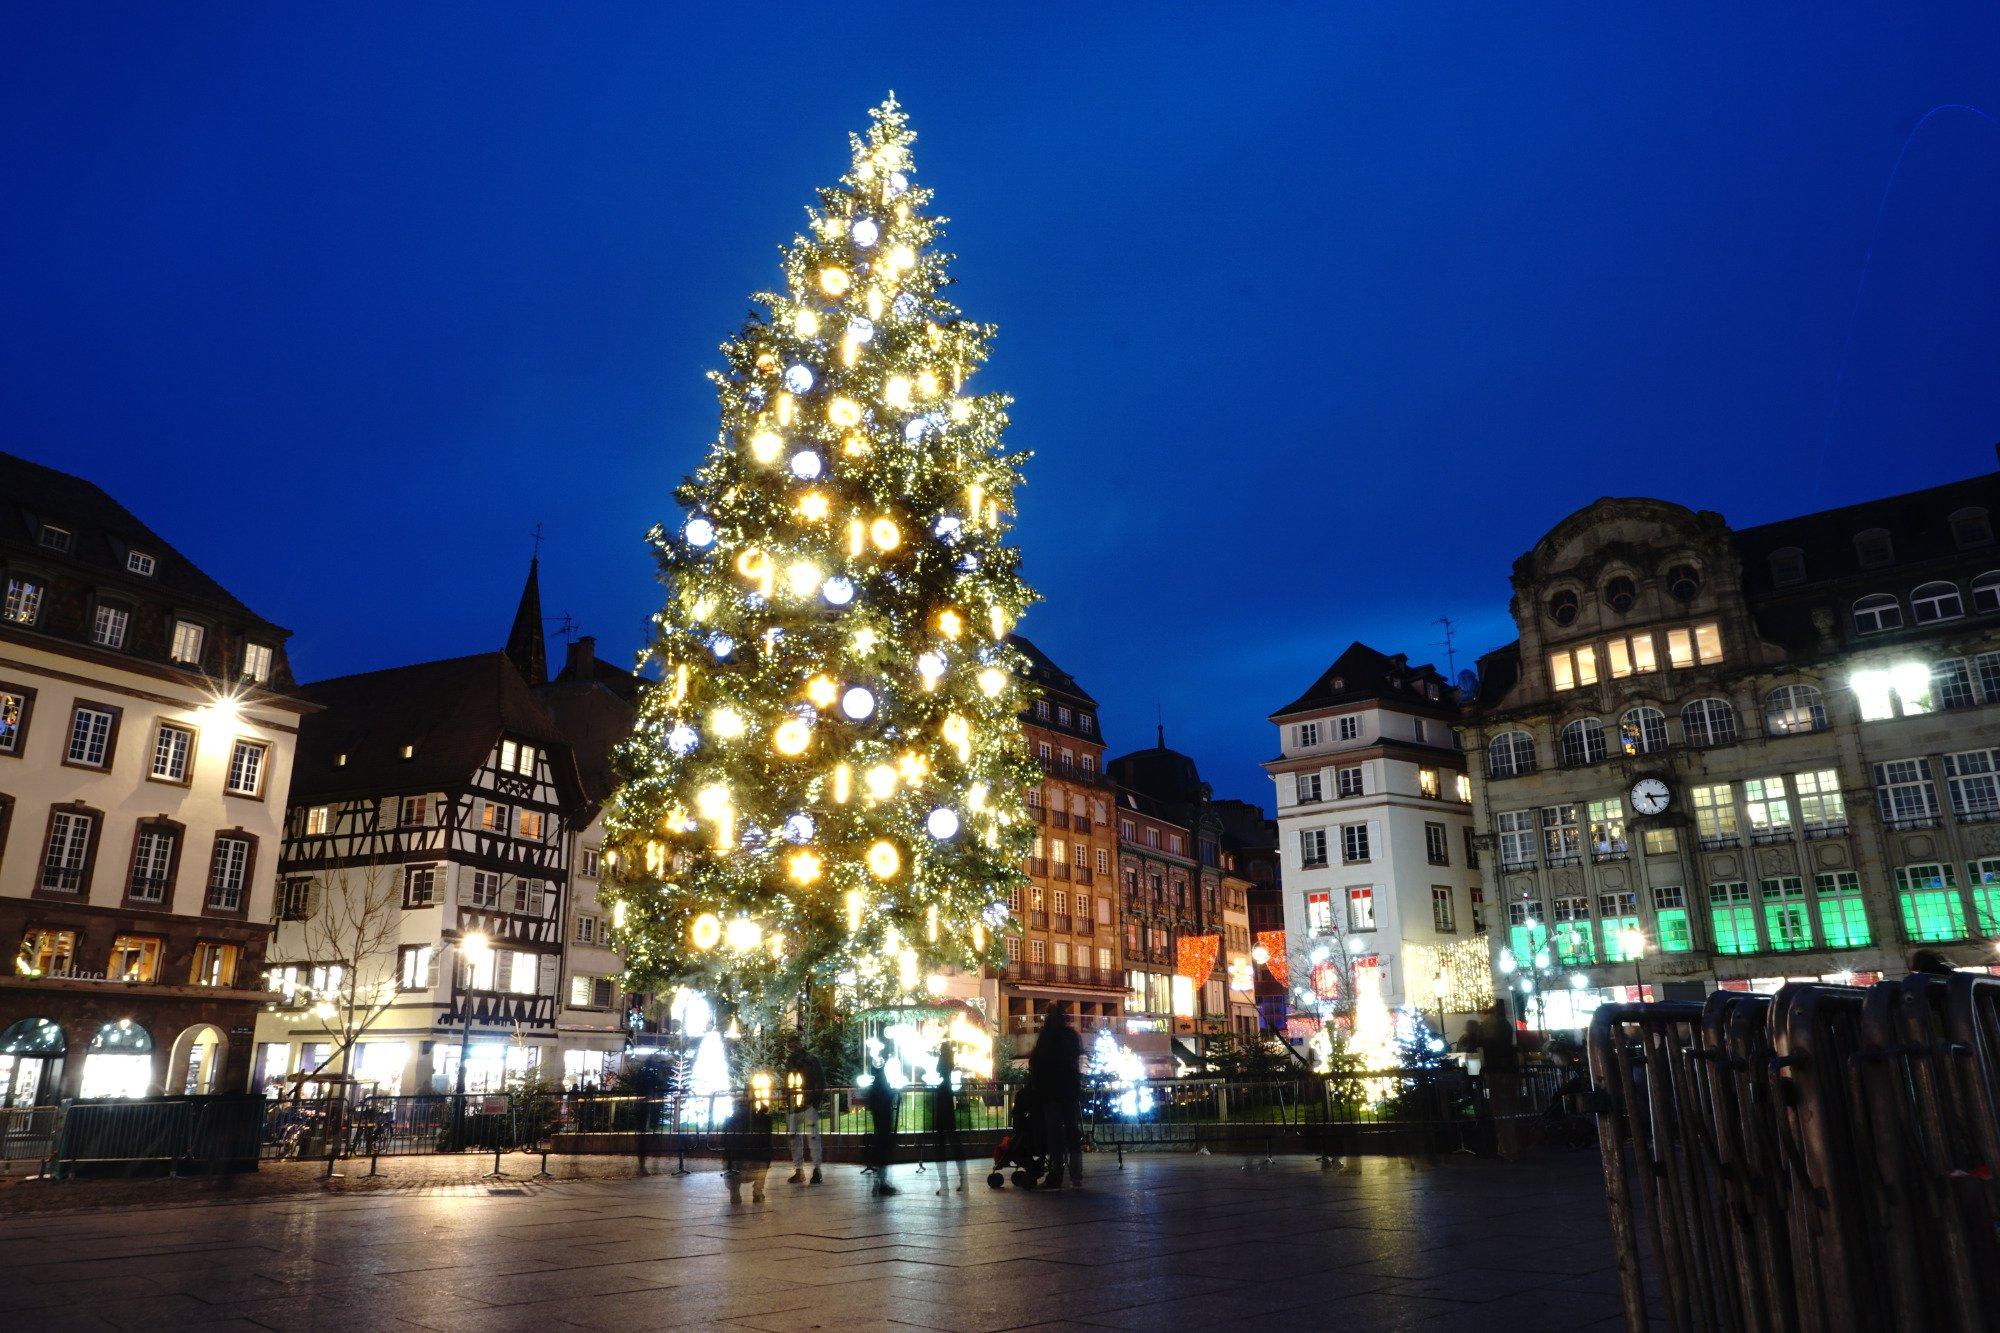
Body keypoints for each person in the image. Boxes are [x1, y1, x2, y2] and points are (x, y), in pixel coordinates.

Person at [1029, 1005, 1083, 1187]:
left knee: (1054, 1135)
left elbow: (1036, 1063)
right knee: (1072, 1131)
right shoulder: (1071, 1036)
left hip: (1051, 1091)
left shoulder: (1046, 1037)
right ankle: (1076, 1174)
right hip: (1070, 1090)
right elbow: (1075, 1060)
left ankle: (1056, 1174)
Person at [783, 1036, 826, 1184]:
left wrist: (815, 1102)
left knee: (813, 1138)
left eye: (794, 1044)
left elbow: (820, 1082)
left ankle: (816, 1170)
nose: (792, 1047)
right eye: (790, 1045)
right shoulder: (790, 1062)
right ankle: (799, 1170)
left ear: (800, 1044)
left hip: (808, 1104)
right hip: (794, 1106)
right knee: (795, 1139)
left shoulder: (811, 1060)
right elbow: (786, 1082)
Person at [722, 1088, 774, 1204]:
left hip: (734, 1167)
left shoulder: (728, 1123)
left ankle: (734, 1193)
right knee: (765, 1155)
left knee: (728, 1158)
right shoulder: (761, 1121)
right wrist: (763, 1111)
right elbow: (767, 1143)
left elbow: (723, 1145)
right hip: (756, 1166)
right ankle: (758, 1192)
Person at [930, 1039, 967, 1194]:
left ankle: (945, 1184)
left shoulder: (943, 1062)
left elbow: (938, 1076)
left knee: (941, 1143)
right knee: (952, 1139)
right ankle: (962, 1180)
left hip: (942, 1102)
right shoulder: (949, 1062)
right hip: (946, 1102)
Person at [863, 1054, 899, 1196]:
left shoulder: (874, 1087)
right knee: (884, 1150)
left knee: (881, 1149)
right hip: (885, 1121)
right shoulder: (883, 1085)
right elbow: (890, 1097)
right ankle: (882, 1182)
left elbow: (871, 1103)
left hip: (879, 1121)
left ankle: (880, 1182)